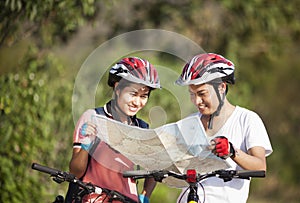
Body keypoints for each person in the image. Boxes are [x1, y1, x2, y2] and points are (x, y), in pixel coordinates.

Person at [175, 53, 273, 203]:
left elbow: (260, 167)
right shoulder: (189, 122)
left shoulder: (247, 119)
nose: (197, 101)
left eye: (202, 94)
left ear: (221, 87)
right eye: (192, 94)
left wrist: (232, 151)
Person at [68, 57, 160, 203]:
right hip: (91, 199)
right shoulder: (93, 117)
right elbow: (75, 172)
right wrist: (86, 145)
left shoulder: (142, 128)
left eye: (144, 96)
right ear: (117, 88)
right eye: (133, 94)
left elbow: (154, 170)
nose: (137, 102)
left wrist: (145, 195)